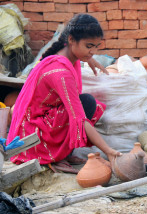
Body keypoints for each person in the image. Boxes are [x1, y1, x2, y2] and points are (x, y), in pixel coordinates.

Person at [7, 14, 121, 173]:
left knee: (87, 103)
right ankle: (51, 156)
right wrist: (109, 151)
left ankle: (61, 153)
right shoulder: (61, 72)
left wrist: (87, 57)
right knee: (85, 105)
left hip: (35, 121)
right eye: (89, 46)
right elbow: (79, 118)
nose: (93, 51)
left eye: (96, 46)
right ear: (72, 40)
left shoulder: (63, 55)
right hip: (32, 137)